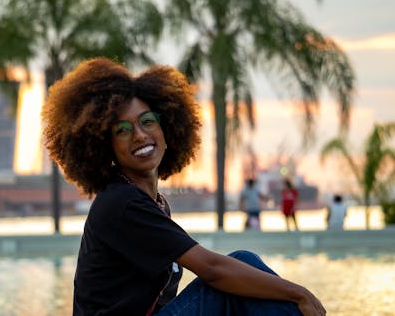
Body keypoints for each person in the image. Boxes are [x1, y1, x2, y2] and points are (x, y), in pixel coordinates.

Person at [42, 58, 326, 316]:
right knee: (241, 262)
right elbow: (212, 269)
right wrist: (298, 293)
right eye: (123, 130)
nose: (139, 135)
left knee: (243, 275)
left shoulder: (149, 201)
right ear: (106, 146)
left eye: (148, 121)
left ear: (169, 131)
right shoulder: (122, 203)